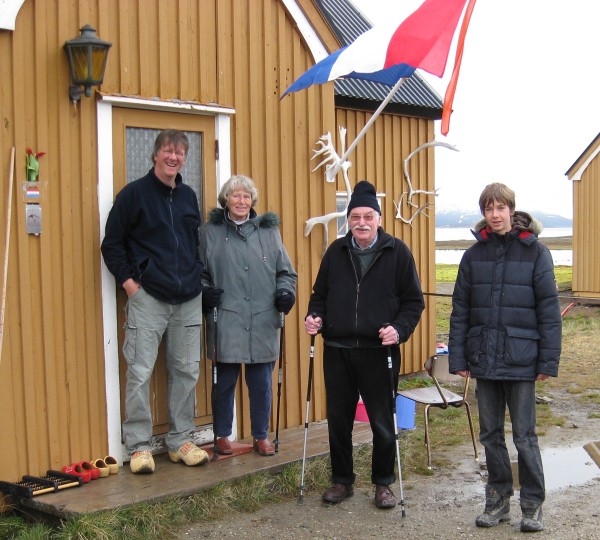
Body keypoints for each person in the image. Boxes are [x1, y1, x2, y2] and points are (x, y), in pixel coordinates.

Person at [449, 182, 562, 533]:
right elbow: (461, 310)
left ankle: (532, 505)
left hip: (521, 357)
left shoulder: (536, 252)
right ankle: (497, 500)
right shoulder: (473, 255)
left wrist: (547, 361)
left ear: (511, 210)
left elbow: (549, 309)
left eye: (500, 208)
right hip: (484, 357)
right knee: (490, 435)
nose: (495, 215)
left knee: (524, 436)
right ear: (483, 212)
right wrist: (459, 357)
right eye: (488, 208)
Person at [304, 180, 424, 509]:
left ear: (378, 218)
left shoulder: (397, 252)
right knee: (339, 420)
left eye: (367, 215)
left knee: (382, 421)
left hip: (379, 351)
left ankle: (383, 483)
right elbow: (320, 296)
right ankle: (342, 481)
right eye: (355, 215)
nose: (361, 222)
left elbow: (414, 303)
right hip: (339, 350)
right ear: (349, 220)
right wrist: (314, 317)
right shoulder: (336, 252)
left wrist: (398, 330)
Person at [101, 129, 209, 474]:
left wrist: (198, 277)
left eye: (179, 153)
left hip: (189, 297)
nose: (173, 157)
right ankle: (139, 446)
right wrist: (131, 285)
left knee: (186, 370)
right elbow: (112, 244)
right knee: (140, 371)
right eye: (167, 151)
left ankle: (180, 441)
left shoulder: (189, 196)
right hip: (148, 297)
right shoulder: (134, 195)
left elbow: (194, 245)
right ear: (155, 154)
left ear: (184, 158)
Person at [198, 175, 297, 457]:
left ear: (252, 201)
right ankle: (221, 434)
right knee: (223, 382)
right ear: (225, 200)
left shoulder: (268, 232)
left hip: (263, 318)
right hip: (225, 318)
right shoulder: (209, 233)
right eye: (235, 196)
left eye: (246, 196)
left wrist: (285, 294)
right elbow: (201, 273)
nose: (241, 201)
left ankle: (260, 435)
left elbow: (286, 273)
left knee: (261, 384)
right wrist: (205, 292)